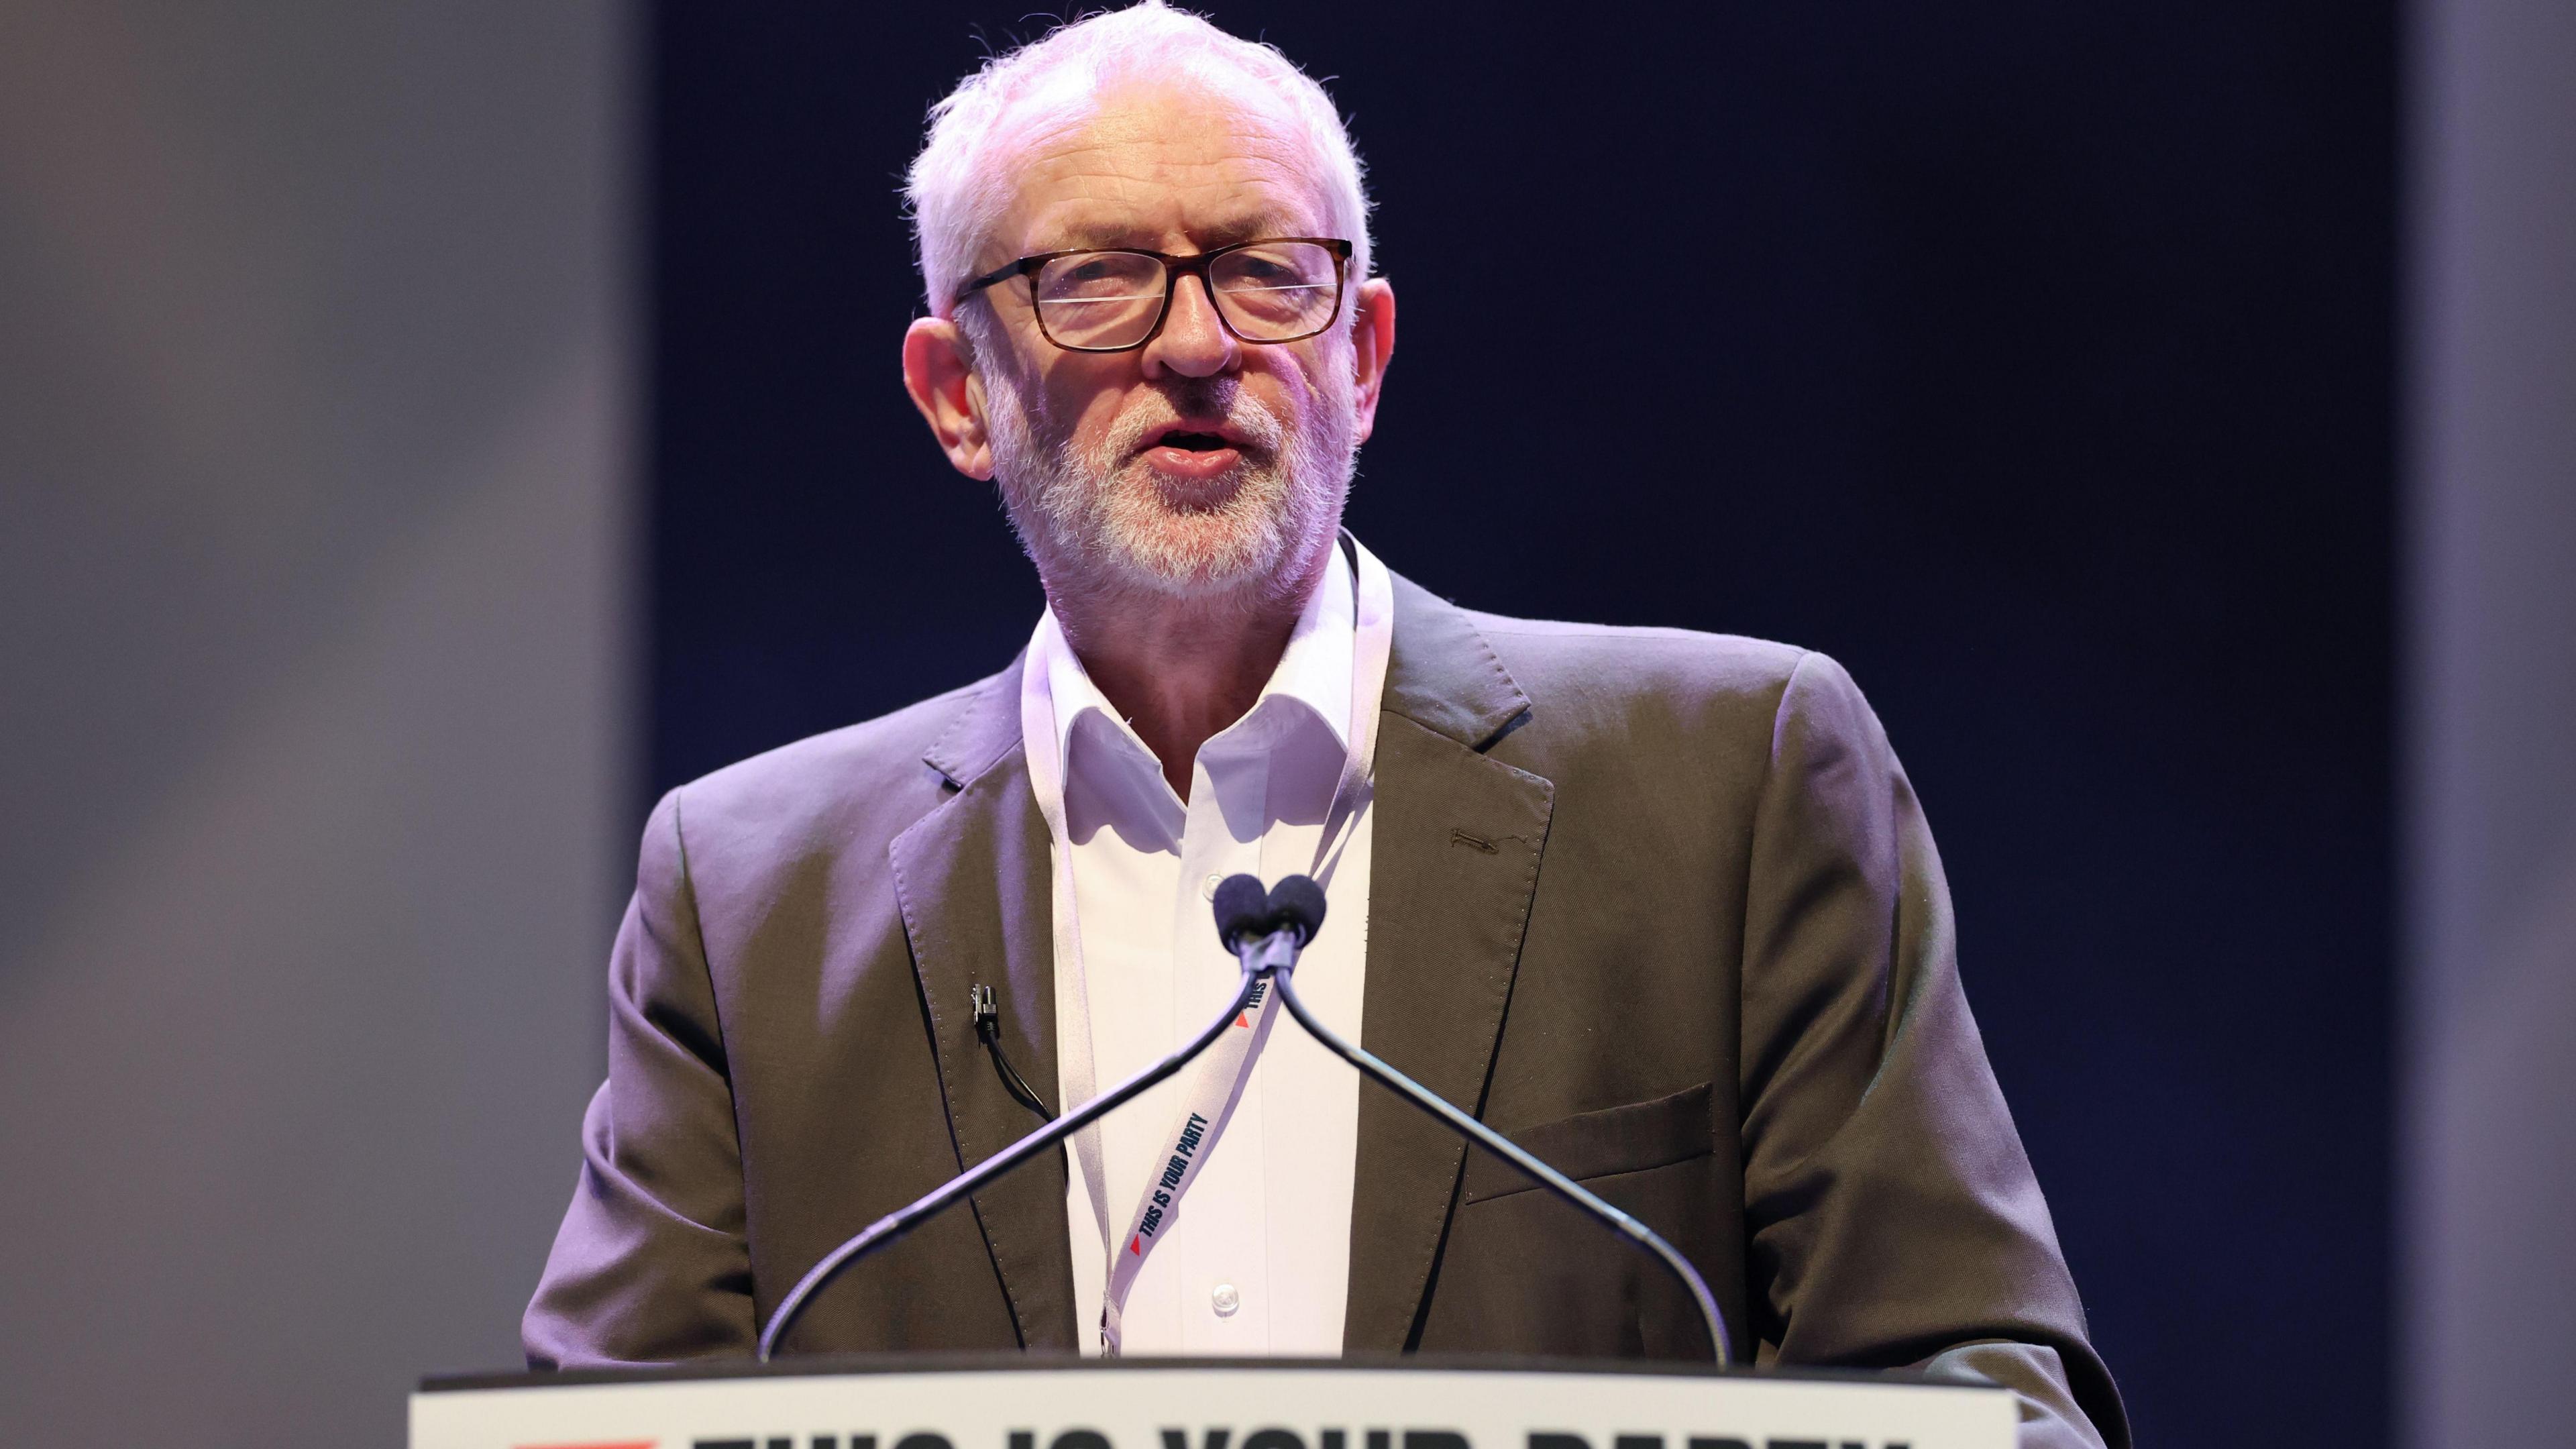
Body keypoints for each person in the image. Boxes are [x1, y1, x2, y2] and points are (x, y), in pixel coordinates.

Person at [525, 7, 2127, 1447]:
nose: (1202, 345)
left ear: (1360, 358)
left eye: (1267, 272)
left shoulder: (1734, 780)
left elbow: (1982, 1394)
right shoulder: (747, 895)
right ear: (959, 392)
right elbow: (610, 1434)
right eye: (1095, 279)